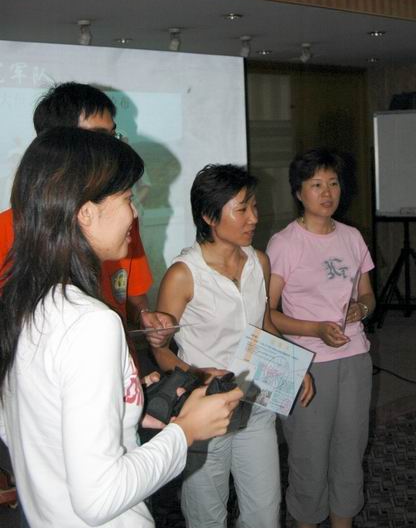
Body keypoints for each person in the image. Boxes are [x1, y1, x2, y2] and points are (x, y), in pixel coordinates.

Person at [0, 128, 243, 528]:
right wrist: (185, 431)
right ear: (85, 212)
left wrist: (127, 408)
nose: (134, 214)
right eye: (128, 198)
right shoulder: (92, 323)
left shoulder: (23, 303)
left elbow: (24, 428)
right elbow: (99, 499)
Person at [152, 163, 314, 528]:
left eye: (254, 206)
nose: (254, 217)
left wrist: (293, 366)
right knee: (207, 516)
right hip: (204, 408)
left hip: (255, 400)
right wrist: (196, 374)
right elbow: (161, 350)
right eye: (242, 209)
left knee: (265, 513)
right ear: (209, 216)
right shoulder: (184, 274)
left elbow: (265, 324)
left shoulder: (259, 262)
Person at [0, 82, 168, 334]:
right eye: (98, 137)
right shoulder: (7, 228)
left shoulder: (120, 219)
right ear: (58, 145)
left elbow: (133, 298)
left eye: (113, 136)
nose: (112, 147)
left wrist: (145, 317)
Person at [266, 148, 376, 528]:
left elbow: (367, 295)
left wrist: (360, 309)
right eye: (316, 185)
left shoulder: (351, 237)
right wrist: (314, 329)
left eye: (333, 183)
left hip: (355, 358)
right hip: (305, 364)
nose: (327, 193)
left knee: (350, 453)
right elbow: (267, 313)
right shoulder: (284, 243)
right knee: (308, 458)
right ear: (299, 192)